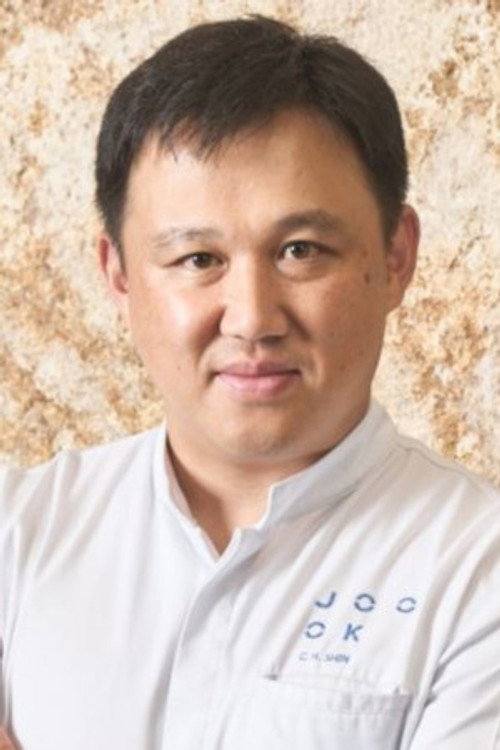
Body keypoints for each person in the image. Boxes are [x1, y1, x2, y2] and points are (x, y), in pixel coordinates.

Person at [0, 14, 498, 750]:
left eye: (301, 250)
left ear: (396, 256)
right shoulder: (18, 532)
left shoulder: (479, 570)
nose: (253, 319)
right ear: (119, 275)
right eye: (198, 260)